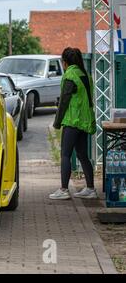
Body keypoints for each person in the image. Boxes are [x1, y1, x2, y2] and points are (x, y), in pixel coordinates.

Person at [49, 47, 97, 200]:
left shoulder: (70, 75)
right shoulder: (85, 74)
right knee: (83, 155)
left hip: (72, 120)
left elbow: (64, 101)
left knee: (65, 154)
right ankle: (90, 189)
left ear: (65, 62)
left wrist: (57, 123)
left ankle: (63, 190)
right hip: (85, 120)